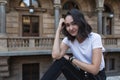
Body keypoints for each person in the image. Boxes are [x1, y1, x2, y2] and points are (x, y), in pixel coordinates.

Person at [41, 9, 106, 80]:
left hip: (96, 77)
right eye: (67, 25)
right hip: (81, 75)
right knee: (61, 60)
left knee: (64, 58)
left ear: (80, 23)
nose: (71, 28)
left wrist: (71, 58)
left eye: (74, 23)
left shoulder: (95, 38)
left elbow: (94, 70)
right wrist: (58, 30)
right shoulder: (69, 39)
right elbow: (55, 55)